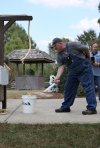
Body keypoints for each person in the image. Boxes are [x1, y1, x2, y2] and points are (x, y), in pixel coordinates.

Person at [51, 37, 97, 115]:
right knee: (68, 88)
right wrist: (57, 77)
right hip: (72, 72)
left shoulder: (72, 45)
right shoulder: (59, 55)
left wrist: (89, 59)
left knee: (88, 87)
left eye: (55, 46)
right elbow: (61, 67)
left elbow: (85, 48)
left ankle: (92, 108)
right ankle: (66, 107)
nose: (54, 48)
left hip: (84, 69)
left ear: (60, 43)